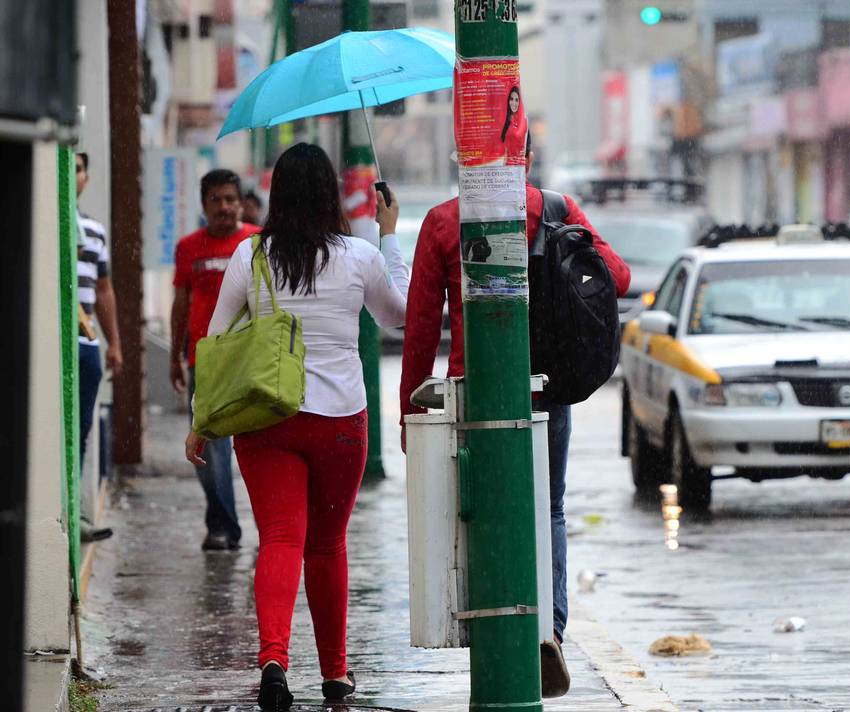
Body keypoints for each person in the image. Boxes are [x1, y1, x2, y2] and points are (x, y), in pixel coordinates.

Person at [399, 133, 630, 698]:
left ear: (463, 160)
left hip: (469, 392)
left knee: (475, 508)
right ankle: (547, 626)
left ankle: (489, 619)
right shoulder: (553, 209)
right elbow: (617, 277)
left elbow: (422, 327)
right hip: (545, 387)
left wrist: (409, 410)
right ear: (524, 157)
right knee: (546, 506)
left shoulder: (440, 222)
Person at [185, 142, 408, 710]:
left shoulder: (249, 255)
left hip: (266, 419)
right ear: (329, 193)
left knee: (280, 539)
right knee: (328, 545)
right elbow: (400, 316)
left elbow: (214, 340)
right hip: (340, 424)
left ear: (277, 195)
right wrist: (389, 235)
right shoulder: (359, 256)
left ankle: (274, 661)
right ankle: (335, 674)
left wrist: (202, 420)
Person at [171, 169, 260, 551]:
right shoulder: (189, 247)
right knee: (210, 447)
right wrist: (176, 354)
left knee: (260, 448)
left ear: (240, 203)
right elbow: (180, 302)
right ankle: (222, 525)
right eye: (216, 200)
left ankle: (271, 529)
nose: (224, 207)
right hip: (204, 363)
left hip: (252, 361)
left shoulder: (257, 241)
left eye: (230, 199)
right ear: (204, 205)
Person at [75, 152, 122, 542]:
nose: (72, 175)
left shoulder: (94, 230)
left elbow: (104, 290)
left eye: (78, 169)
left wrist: (114, 344)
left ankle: (75, 515)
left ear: (86, 178)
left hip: (86, 342)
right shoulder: (45, 223)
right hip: (56, 345)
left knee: (83, 429)